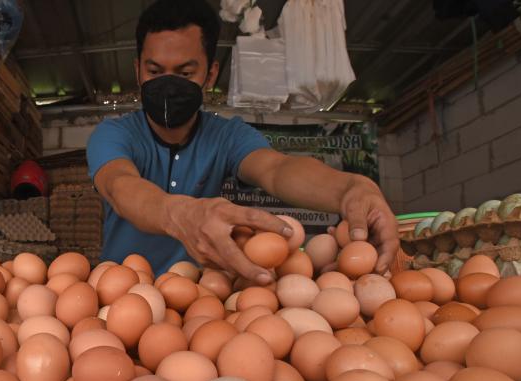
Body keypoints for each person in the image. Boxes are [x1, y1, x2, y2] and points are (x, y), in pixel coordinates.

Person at [87, 0, 399, 284]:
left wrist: (350, 189)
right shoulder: (114, 134)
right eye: (154, 71)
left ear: (210, 76)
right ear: (138, 72)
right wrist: (179, 213)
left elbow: (277, 169)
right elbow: (119, 185)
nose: (168, 84)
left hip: (202, 296)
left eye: (185, 72)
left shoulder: (226, 135)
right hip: (120, 294)